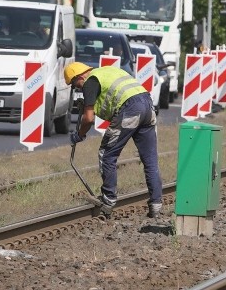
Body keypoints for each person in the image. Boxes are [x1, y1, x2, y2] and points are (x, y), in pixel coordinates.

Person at [64, 61, 163, 218]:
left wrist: (80, 135)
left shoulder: (90, 81)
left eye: (75, 84)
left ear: (80, 76)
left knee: (107, 155)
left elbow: (88, 119)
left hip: (130, 109)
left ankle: (107, 202)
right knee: (150, 160)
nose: (77, 88)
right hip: (148, 106)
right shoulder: (107, 71)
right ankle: (156, 205)